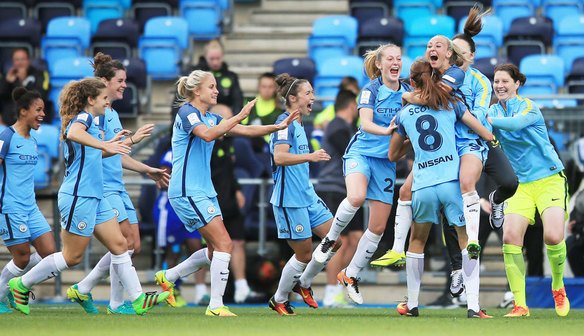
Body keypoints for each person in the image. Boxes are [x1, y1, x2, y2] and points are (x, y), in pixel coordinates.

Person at [8, 78, 169, 315]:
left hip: (96, 195)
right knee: (71, 257)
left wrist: (120, 144)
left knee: (120, 245)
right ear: (90, 100)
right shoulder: (83, 118)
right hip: (78, 195)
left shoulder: (94, 124)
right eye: (103, 98)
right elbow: (73, 132)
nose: (107, 102)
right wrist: (110, 145)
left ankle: (137, 299)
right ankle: (21, 284)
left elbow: (95, 155)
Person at [153, 69, 298, 317]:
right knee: (225, 244)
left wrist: (278, 126)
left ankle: (169, 276)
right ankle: (216, 305)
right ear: (197, 90)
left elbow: (245, 131)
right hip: (187, 190)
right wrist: (240, 115)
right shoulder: (187, 112)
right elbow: (208, 136)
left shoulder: (210, 117)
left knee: (214, 250)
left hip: (203, 190)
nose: (217, 91)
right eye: (211, 86)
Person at [66, 53, 170, 315]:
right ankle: (114, 302)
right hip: (104, 188)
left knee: (131, 244)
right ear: (104, 82)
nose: (125, 85)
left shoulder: (110, 113)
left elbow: (117, 152)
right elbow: (98, 151)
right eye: (120, 80)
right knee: (122, 244)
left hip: (118, 186)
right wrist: (130, 141)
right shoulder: (95, 115)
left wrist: (147, 170)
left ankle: (88, 289)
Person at [392, 59, 494, 318]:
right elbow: (481, 130)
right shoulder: (452, 104)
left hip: (423, 185)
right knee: (466, 241)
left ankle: (412, 305)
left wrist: (411, 140)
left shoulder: (403, 113)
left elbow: (393, 155)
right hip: (450, 183)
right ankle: (473, 306)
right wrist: (492, 140)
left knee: (417, 241)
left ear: (411, 82)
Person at [313, 44, 411, 305]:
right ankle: (329, 239)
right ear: (379, 64)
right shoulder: (371, 90)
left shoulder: (408, 92)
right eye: (390, 58)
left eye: (399, 59)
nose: (395, 62)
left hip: (386, 162)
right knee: (355, 198)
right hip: (362, 153)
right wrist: (389, 131)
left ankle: (351, 274)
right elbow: (365, 123)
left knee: (378, 227)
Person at [488, 63, 570, 317]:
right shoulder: (490, 111)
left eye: (505, 81)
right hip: (520, 185)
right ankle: (520, 305)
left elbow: (514, 125)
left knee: (553, 237)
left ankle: (558, 286)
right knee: (510, 237)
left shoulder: (528, 107)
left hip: (549, 179)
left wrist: (484, 119)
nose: (499, 85)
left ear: (517, 84)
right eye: (496, 81)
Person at [267, 73, 342, 315]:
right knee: (304, 253)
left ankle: (304, 283)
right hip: (289, 199)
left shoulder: (299, 124)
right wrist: (311, 156)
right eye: (308, 93)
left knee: (335, 240)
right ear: (292, 98)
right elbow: (279, 157)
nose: (313, 97)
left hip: (307, 196)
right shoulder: (284, 123)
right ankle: (279, 298)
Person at [0, 88, 56, 313]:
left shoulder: (32, 141)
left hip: (31, 208)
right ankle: (2, 295)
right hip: (10, 207)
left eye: (43, 109)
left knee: (51, 256)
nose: (42, 114)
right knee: (22, 257)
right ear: (23, 111)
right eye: (38, 109)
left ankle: (19, 286)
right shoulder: (6, 137)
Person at [313, 89, 363, 308]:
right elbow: (350, 152)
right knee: (338, 242)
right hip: (333, 188)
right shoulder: (337, 126)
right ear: (352, 106)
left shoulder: (345, 127)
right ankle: (331, 292)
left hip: (348, 190)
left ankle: (340, 281)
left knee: (356, 238)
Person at [153, 148, 209, 307]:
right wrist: (183, 182)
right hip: (171, 208)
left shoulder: (200, 154)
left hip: (192, 204)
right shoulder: (171, 153)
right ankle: (170, 291)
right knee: (173, 251)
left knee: (197, 246)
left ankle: (201, 291)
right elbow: (163, 178)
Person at [174, 40, 243, 117]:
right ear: (205, 56)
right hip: (197, 117)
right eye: (212, 59)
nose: (215, 62)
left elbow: (238, 102)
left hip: (225, 119)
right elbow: (180, 100)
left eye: (218, 58)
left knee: (224, 111)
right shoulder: (194, 75)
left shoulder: (231, 77)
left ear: (222, 56)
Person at [0, 48, 50, 125]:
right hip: (10, 120)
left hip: (34, 119)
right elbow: (2, 97)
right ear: (13, 62)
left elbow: (42, 96)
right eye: (17, 60)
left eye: (23, 59)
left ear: (28, 60)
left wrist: (22, 82)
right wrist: (7, 82)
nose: (20, 62)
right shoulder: (8, 76)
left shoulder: (40, 74)